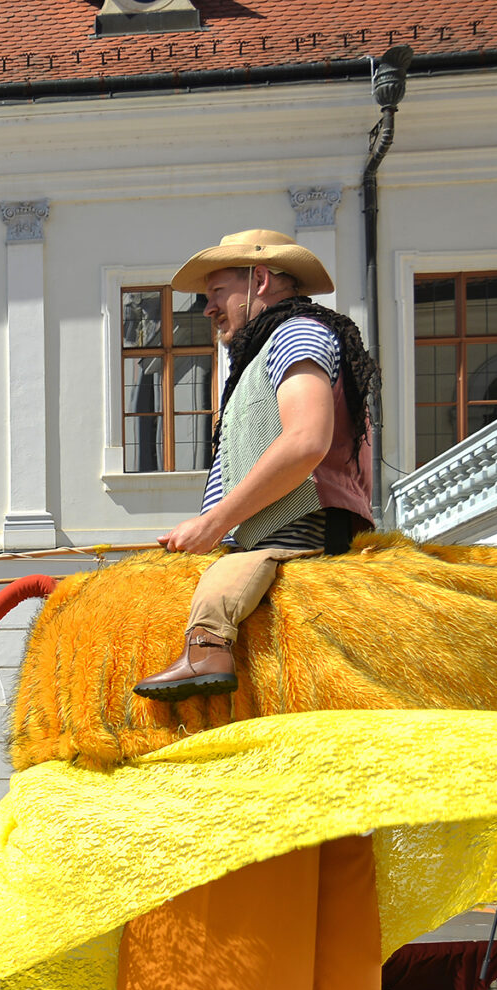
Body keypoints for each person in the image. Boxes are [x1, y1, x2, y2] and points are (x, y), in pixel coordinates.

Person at [133, 230, 378, 702]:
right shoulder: (271, 345)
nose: (208, 309)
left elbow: (306, 440)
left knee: (223, 582)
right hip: (273, 528)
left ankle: (207, 652)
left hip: (299, 531)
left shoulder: (296, 332)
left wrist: (215, 521)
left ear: (260, 279)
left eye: (217, 293)